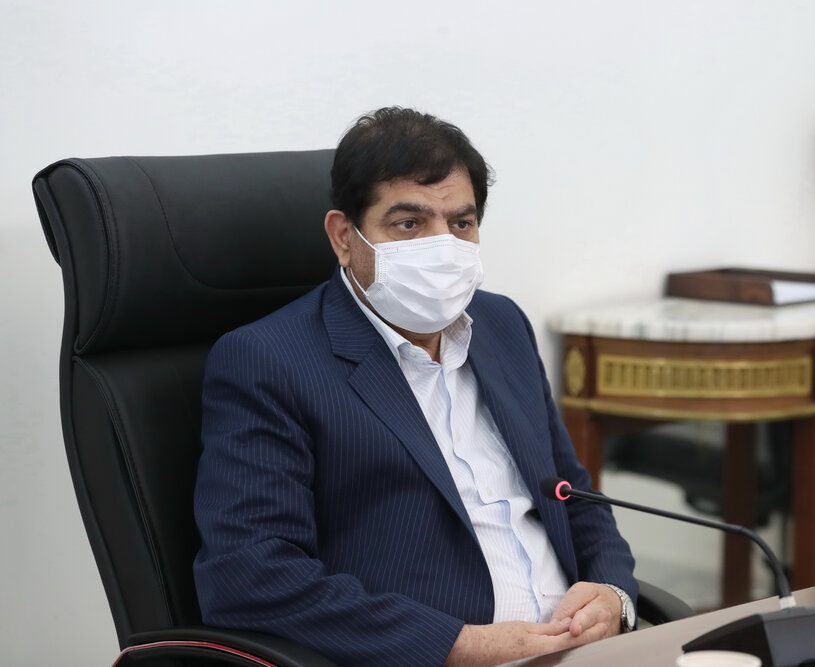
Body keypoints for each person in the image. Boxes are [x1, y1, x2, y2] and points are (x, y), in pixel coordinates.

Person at [193, 107, 638, 667]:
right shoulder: (268, 361)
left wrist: (614, 596)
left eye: (461, 223)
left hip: (585, 652)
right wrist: (461, 646)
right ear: (344, 237)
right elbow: (250, 576)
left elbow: (572, 494)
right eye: (409, 224)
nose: (442, 245)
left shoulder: (502, 325)